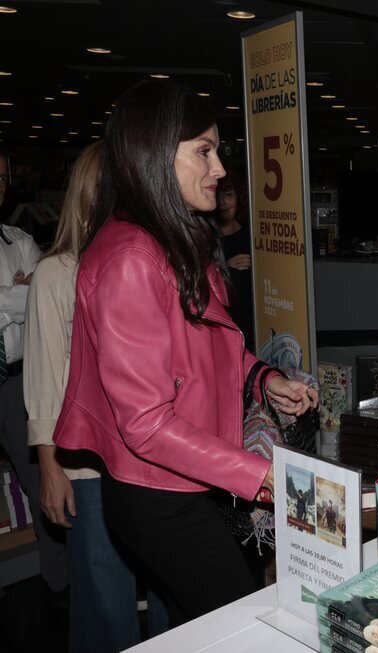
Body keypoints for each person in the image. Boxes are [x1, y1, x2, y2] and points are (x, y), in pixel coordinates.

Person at [52, 80, 317, 626]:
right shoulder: (131, 257)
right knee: (245, 623)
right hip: (161, 492)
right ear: (154, 156)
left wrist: (264, 378)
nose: (219, 168)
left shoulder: (176, 238)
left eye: (217, 150)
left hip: (198, 475)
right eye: (203, 150)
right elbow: (145, 423)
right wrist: (255, 473)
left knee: (222, 622)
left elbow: (215, 350)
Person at [24, 142, 169, 652]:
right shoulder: (55, 273)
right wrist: (49, 467)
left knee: (170, 593)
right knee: (105, 602)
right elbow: (44, 374)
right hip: (88, 467)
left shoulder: (146, 261)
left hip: (152, 461)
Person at [0, 148, 69, 603]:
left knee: (42, 481)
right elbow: (31, 300)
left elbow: (45, 299)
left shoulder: (18, 239)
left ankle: (60, 588)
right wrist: (18, 292)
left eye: (4, 176)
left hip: (13, 385)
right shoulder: (21, 253)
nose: (0, 184)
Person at [210, 173, 255, 351]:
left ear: (239, 198)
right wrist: (224, 269)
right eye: (217, 194)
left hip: (248, 329)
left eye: (228, 194)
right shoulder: (204, 237)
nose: (222, 202)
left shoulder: (250, 238)